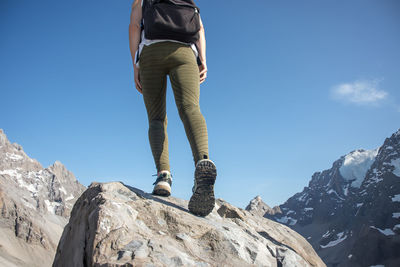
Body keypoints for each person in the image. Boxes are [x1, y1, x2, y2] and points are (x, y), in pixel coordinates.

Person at [129, 0, 217, 217]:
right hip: (185, 53)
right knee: (190, 108)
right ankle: (202, 161)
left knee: (156, 118)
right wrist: (202, 59)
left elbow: (134, 26)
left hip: (151, 53)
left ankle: (163, 177)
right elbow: (200, 29)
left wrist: (135, 63)